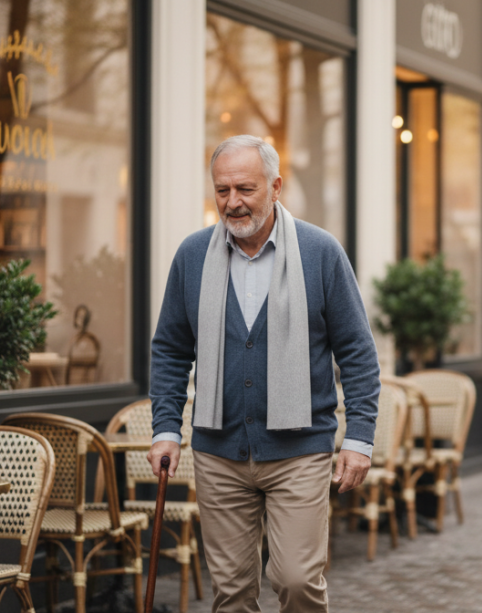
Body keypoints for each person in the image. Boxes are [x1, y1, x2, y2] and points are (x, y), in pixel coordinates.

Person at [148, 135, 379, 613]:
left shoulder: (320, 252)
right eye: (222, 190)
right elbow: (170, 350)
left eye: (245, 189)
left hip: (298, 451)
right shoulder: (193, 256)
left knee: (296, 582)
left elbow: (356, 350)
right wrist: (166, 429)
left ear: (275, 187)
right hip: (218, 451)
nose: (232, 202)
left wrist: (359, 438)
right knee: (231, 594)